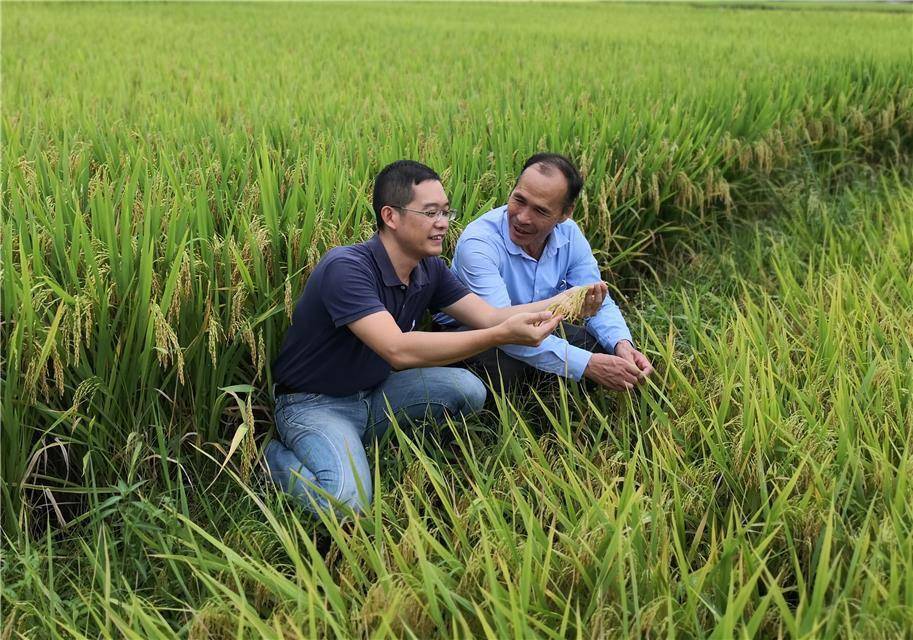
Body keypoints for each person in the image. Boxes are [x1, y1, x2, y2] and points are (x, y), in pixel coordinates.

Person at [265, 160, 606, 516]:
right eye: (430, 213)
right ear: (391, 216)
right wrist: (498, 335)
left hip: (376, 393)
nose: (443, 223)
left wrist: (567, 302)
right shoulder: (346, 268)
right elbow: (397, 350)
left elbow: (489, 315)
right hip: (315, 405)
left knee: (469, 390)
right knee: (346, 507)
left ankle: (357, 443)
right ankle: (273, 459)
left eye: (445, 211)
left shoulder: (429, 270)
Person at [435, 153, 654, 391]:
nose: (522, 217)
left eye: (540, 211)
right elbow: (500, 326)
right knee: (507, 370)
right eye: (519, 200)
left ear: (565, 213)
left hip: (539, 325)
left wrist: (621, 344)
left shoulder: (569, 234)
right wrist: (587, 365)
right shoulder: (479, 243)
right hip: (475, 332)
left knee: (598, 347)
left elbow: (596, 300)